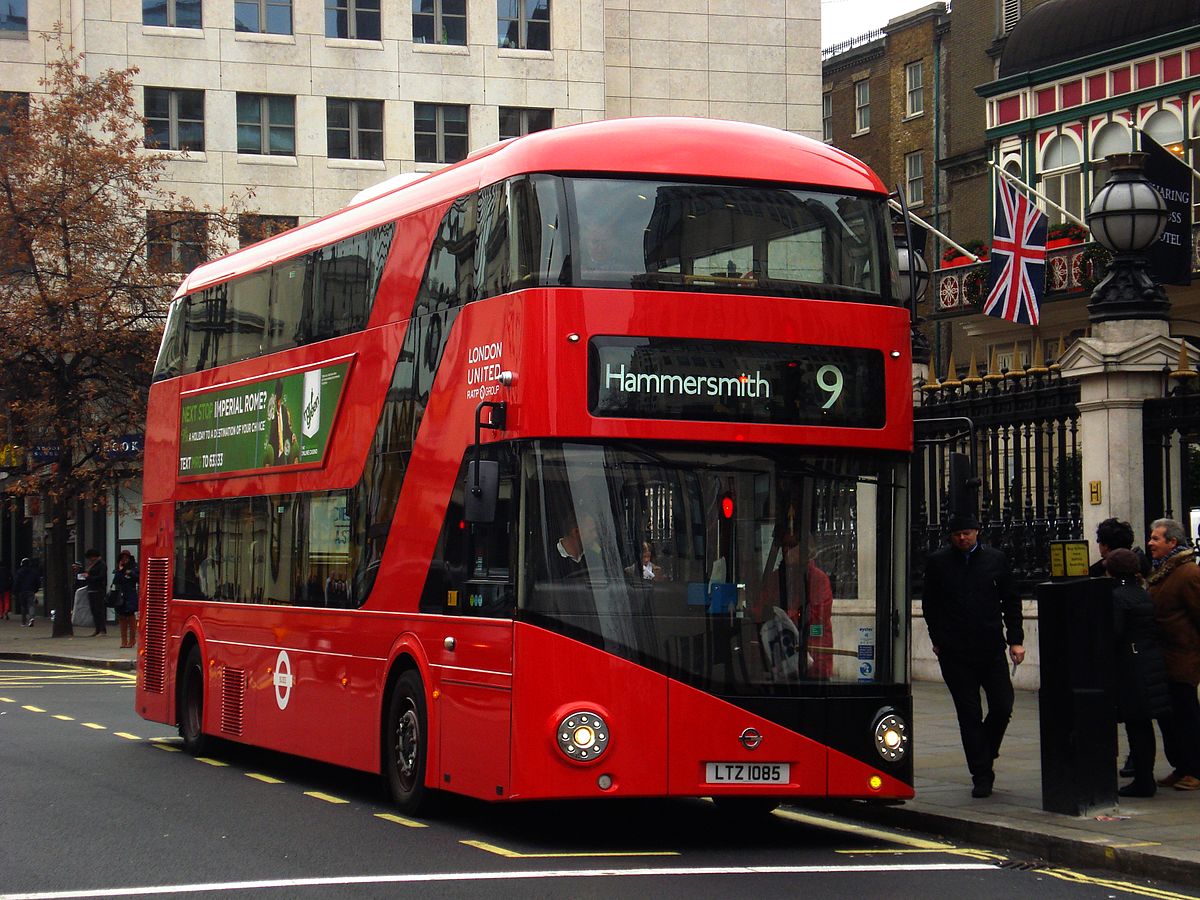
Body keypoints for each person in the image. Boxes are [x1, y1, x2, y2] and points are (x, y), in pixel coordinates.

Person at [922, 513, 1024, 799]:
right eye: (957, 534)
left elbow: (1011, 600)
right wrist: (938, 640)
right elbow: (930, 605)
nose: (962, 538)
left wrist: (1015, 640)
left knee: (1003, 705)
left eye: (967, 532)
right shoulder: (938, 563)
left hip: (990, 647)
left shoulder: (995, 560)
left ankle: (986, 749)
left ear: (977, 532)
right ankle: (981, 773)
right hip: (954, 651)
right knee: (969, 713)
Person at [1105, 548, 1172, 797]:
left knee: (1137, 725)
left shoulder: (1118, 596)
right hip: (1149, 660)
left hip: (1132, 665)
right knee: (1143, 723)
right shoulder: (1142, 593)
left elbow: (1115, 632)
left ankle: (1143, 780)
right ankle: (1145, 776)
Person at [1145, 518, 1200, 791]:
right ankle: (1181, 766)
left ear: (1172, 542)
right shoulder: (1162, 571)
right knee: (1168, 718)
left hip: (1182, 658)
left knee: (1186, 715)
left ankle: (1195, 769)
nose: (1150, 542)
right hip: (1163, 658)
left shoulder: (1188, 573)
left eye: (1156, 538)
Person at [113, 550, 139, 649]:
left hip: (130, 594)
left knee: (130, 616)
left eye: (126, 558)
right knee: (122, 617)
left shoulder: (134, 567)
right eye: (122, 558)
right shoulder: (119, 569)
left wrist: (130, 573)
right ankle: (124, 640)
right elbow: (116, 581)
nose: (124, 560)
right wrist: (120, 571)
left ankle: (132, 640)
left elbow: (138, 578)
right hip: (121, 595)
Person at [83, 548, 108, 637]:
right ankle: (97, 628)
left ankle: (102, 629)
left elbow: (101, 577)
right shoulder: (92, 565)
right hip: (91, 589)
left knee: (99, 610)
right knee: (94, 610)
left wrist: (89, 577)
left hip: (98, 589)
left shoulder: (101, 565)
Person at [14, 557, 40, 627]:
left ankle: (23, 622)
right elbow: (37, 581)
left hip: (22, 591)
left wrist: (15, 591)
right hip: (31, 590)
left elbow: (16, 582)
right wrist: (36, 589)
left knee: (23, 606)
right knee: (31, 605)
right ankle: (31, 617)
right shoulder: (33, 572)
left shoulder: (19, 572)